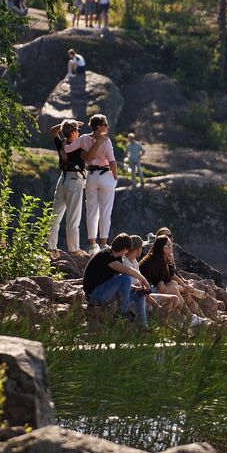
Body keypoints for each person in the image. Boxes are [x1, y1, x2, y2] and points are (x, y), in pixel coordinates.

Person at [82, 234, 151, 327]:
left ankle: (143, 325)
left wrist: (134, 288)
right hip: (94, 294)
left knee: (139, 294)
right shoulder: (106, 255)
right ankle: (121, 314)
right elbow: (128, 270)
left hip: (106, 291)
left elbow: (115, 282)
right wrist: (143, 279)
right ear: (124, 249)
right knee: (125, 277)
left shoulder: (117, 258)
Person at [139, 233, 205, 324]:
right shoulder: (155, 259)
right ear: (162, 247)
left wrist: (184, 285)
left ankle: (192, 317)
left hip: (151, 288)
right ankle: (191, 317)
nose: (171, 248)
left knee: (173, 284)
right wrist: (165, 284)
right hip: (145, 292)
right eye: (169, 246)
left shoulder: (161, 257)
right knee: (174, 289)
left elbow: (172, 275)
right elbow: (160, 286)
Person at [47, 119, 87, 253]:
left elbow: (53, 130)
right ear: (74, 132)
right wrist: (71, 124)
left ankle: (51, 248)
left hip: (62, 179)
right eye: (78, 131)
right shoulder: (79, 147)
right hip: (75, 180)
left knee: (55, 216)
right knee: (73, 219)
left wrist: (66, 126)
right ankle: (74, 249)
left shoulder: (62, 144)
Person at [81, 113, 118, 253]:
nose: (107, 126)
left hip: (90, 175)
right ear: (98, 127)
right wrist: (115, 176)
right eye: (105, 124)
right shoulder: (106, 141)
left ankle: (92, 245)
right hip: (105, 174)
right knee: (105, 211)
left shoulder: (84, 138)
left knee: (91, 210)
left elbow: (74, 150)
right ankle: (103, 244)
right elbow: (112, 161)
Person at [125, 234, 183, 318]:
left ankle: (183, 317)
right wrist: (154, 304)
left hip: (146, 291)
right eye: (169, 246)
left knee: (174, 286)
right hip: (138, 297)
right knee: (174, 295)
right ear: (138, 249)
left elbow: (169, 275)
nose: (171, 248)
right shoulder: (127, 264)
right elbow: (140, 289)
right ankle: (161, 319)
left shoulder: (134, 262)